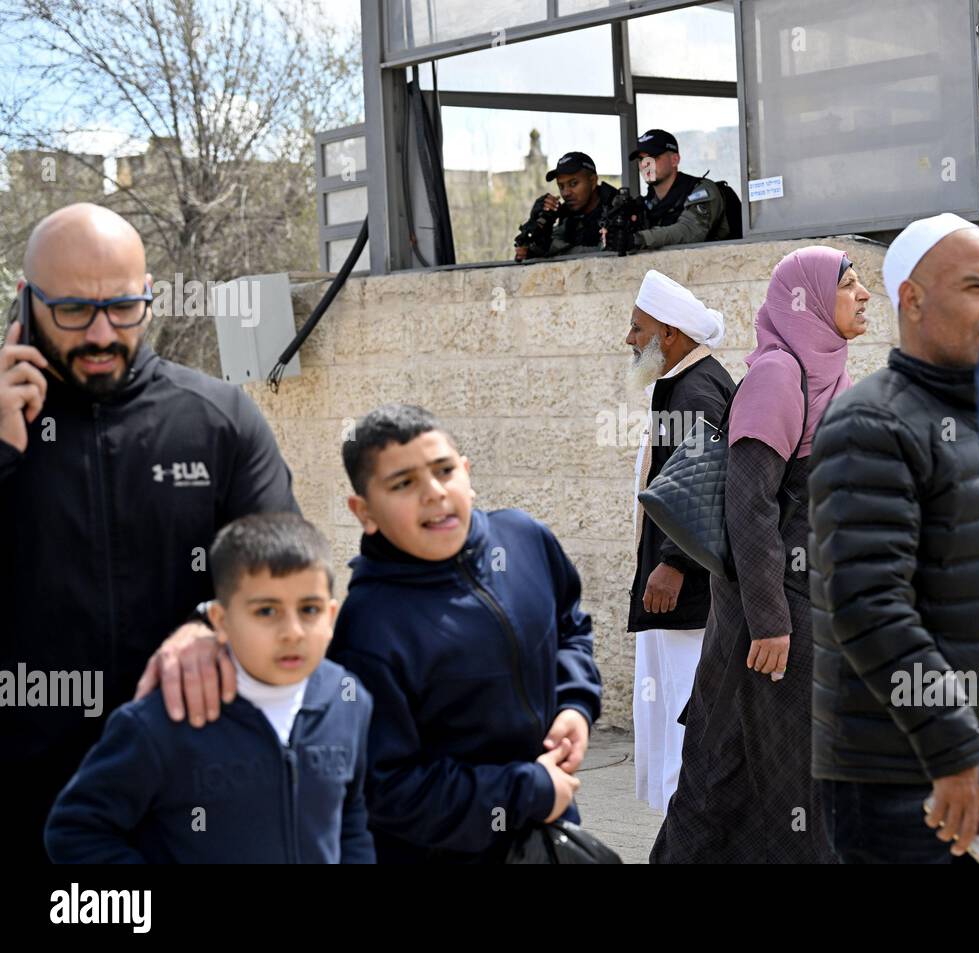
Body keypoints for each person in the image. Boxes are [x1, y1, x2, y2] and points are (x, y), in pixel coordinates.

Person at [0, 203, 297, 864]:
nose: (102, 333)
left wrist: (209, 624)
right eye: (74, 309)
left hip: (190, 815)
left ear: (151, 297)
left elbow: (292, 573)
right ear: (25, 302)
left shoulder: (220, 419)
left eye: (124, 307)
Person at [650, 246, 868, 863]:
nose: (863, 295)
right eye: (848, 284)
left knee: (741, 773)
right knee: (755, 776)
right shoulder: (779, 375)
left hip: (809, 607)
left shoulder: (829, 372)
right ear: (807, 301)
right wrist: (771, 620)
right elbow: (749, 505)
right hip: (771, 619)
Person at [808, 214, 979, 863]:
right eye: (978, 287)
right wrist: (954, 750)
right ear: (913, 299)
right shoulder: (871, 422)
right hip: (906, 776)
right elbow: (869, 608)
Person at [328, 404, 603, 862]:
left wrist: (574, 703)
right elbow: (387, 790)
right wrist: (526, 790)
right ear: (364, 512)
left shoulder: (525, 538)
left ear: (466, 472)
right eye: (403, 484)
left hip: (545, 834)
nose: (434, 493)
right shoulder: (368, 628)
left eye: (444, 470)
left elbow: (569, 625)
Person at [44, 514, 373, 863]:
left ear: (332, 614)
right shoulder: (159, 723)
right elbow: (76, 830)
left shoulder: (349, 701)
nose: (292, 631)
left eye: (309, 609)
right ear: (221, 620)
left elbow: (350, 818)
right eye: (266, 611)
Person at [626, 269, 735, 813]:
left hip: (686, 594)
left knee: (683, 714)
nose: (629, 340)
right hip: (682, 588)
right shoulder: (688, 380)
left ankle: (687, 830)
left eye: (636, 327)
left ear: (668, 333)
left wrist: (670, 565)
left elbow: (708, 479)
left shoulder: (694, 387)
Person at [627, 129, 730, 251]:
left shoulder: (702, 190)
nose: (645, 165)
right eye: (640, 159)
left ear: (674, 160)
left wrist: (640, 239)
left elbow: (689, 231)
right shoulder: (646, 203)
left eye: (652, 157)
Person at [514, 151, 620, 260]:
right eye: (561, 186)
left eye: (573, 184)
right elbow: (539, 249)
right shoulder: (567, 214)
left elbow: (606, 254)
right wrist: (538, 224)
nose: (566, 193)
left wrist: (549, 250)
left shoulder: (618, 209)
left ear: (592, 182)